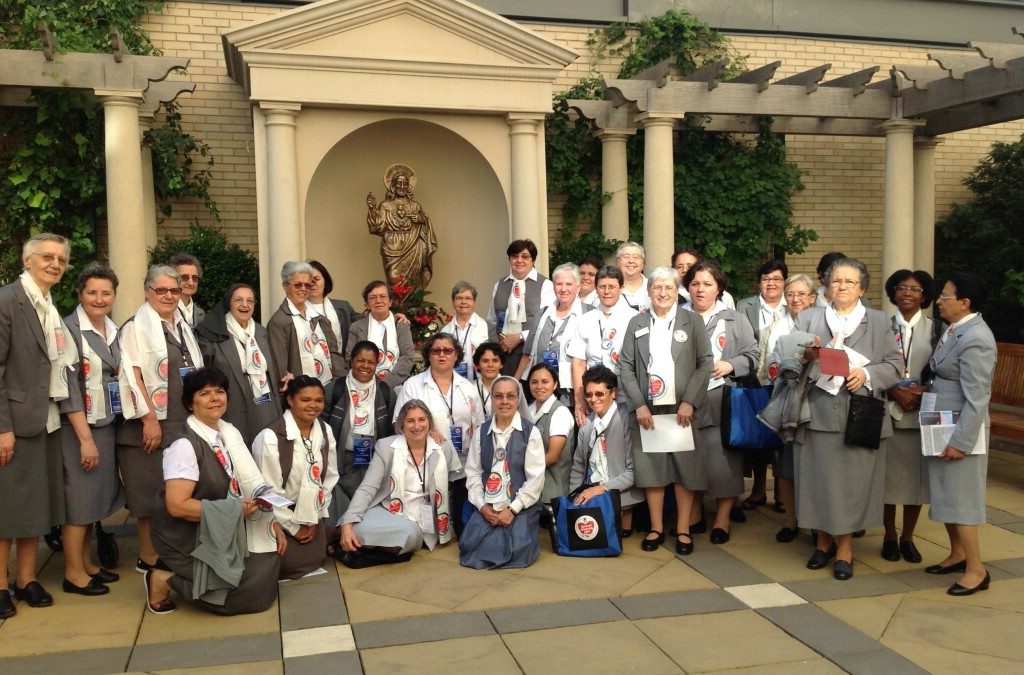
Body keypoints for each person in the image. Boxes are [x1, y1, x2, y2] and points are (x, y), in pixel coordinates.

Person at [145, 368, 286, 615]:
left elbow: (247, 484)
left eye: (219, 392)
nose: (214, 398)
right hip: (188, 536)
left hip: (223, 526)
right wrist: (233, 510)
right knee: (242, 596)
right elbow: (176, 506)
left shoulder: (227, 433)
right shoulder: (184, 445)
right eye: (204, 393)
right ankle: (162, 578)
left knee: (268, 564)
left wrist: (268, 521)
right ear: (190, 403)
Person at [795, 257, 901, 580]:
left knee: (853, 484)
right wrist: (805, 355)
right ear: (826, 285)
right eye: (836, 280)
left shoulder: (879, 321)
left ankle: (845, 547)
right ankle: (822, 542)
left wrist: (867, 374)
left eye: (849, 282)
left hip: (861, 412)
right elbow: (786, 360)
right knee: (819, 480)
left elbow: (896, 366)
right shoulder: (809, 317)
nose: (841, 286)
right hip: (818, 410)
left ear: (862, 289)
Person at [0, 233, 77, 618]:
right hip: (14, 422)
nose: (55, 264)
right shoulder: (7, 300)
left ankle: (27, 579)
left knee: (33, 505)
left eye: (61, 259)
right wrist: (2, 428)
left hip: (45, 420)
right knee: (6, 509)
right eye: (47, 257)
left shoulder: (47, 302)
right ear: (27, 260)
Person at [620, 266, 714, 555]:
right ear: (649, 291)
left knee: (685, 468)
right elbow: (625, 366)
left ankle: (683, 528)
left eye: (669, 287)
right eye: (657, 287)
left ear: (677, 291)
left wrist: (690, 401)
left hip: (682, 408)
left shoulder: (692, 321)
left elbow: (706, 363)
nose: (663, 293)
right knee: (653, 469)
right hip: (648, 409)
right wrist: (638, 404)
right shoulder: (637, 323)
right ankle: (656, 528)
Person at [118, 264, 205, 575]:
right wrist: (149, 420)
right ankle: (148, 557)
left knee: (178, 490)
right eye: (161, 290)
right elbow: (133, 376)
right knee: (149, 494)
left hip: (180, 423)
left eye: (174, 290)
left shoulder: (182, 325)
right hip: (151, 425)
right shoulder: (135, 327)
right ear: (147, 292)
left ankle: (172, 552)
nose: (169, 295)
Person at [925, 272, 997, 596]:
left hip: (961, 429)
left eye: (945, 296)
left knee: (962, 498)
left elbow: (978, 398)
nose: (940, 301)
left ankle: (976, 569)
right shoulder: (955, 328)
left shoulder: (976, 337)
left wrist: (960, 442)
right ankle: (957, 553)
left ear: (965, 302)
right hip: (942, 421)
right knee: (946, 493)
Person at [681, 259, 759, 545]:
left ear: (719, 288)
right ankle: (695, 513)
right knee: (690, 459)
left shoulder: (734, 319)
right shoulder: (677, 317)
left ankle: (723, 518)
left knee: (723, 461)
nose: (700, 289)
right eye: (694, 283)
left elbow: (753, 355)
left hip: (721, 399)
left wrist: (731, 364)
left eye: (707, 284)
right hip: (684, 401)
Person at [60, 264, 126, 597]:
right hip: (79, 429)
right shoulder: (69, 330)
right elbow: (68, 389)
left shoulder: (112, 329)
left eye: (106, 293)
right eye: (92, 292)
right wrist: (85, 440)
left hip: (105, 423)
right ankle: (73, 573)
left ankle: (86, 564)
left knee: (92, 501)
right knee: (79, 502)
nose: (99, 299)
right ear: (80, 294)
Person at [337, 400, 458, 568]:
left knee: (410, 536)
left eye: (422, 420)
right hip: (389, 509)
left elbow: (450, 488)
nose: (417, 426)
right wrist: (348, 522)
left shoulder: (443, 449)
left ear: (430, 422)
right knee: (357, 529)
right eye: (410, 421)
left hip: (422, 518)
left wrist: (450, 525)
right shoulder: (386, 446)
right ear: (402, 425)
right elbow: (368, 487)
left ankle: (361, 548)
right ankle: (356, 542)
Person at [395, 332, 484, 538]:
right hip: (428, 464)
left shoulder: (468, 388)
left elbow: (479, 425)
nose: (442, 355)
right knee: (430, 530)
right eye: (436, 351)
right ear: (429, 355)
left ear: (456, 355)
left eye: (447, 350)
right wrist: (426, 432)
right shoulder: (413, 385)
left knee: (463, 527)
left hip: (464, 462)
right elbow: (397, 423)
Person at [253, 376, 339, 579]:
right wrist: (293, 526)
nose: (313, 405)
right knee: (289, 565)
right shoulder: (270, 437)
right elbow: (268, 491)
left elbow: (330, 477)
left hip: (311, 512)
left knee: (317, 558)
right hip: (279, 514)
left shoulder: (325, 430)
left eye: (318, 400)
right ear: (290, 400)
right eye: (305, 400)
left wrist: (314, 516)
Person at [460, 376, 545, 569]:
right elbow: (473, 473)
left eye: (510, 396)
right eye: (498, 396)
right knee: (471, 547)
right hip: (488, 507)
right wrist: (483, 506)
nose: (504, 401)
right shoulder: (481, 432)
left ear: (518, 399)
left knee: (517, 550)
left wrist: (513, 509)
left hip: (519, 507)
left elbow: (536, 479)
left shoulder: (530, 433)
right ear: (492, 399)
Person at [881, 269, 936, 564]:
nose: (907, 293)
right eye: (901, 288)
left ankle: (908, 537)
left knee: (916, 480)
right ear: (893, 292)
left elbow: (942, 369)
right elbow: (874, 364)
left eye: (915, 289)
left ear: (924, 295)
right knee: (888, 480)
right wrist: (894, 390)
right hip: (889, 409)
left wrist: (920, 392)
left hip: (921, 410)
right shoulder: (881, 326)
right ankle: (890, 535)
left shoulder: (936, 330)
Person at [759, 273, 817, 543]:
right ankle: (790, 521)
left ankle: (816, 522)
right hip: (784, 398)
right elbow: (766, 363)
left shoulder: (823, 324)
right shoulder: (776, 327)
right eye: (791, 294)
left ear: (813, 298)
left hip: (815, 402)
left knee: (814, 466)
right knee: (786, 464)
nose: (795, 299)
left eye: (802, 294)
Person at [196, 283, 282, 446]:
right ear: (228, 303)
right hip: (232, 404)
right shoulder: (213, 333)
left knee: (266, 446)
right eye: (238, 300)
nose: (245, 305)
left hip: (264, 402)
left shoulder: (261, 332)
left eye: (250, 301)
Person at [735, 260, 789, 512]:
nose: (771, 284)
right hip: (754, 380)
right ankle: (758, 490)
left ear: (784, 282)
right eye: (766, 279)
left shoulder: (794, 305)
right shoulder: (743, 306)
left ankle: (781, 493)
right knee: (757, 437)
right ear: (759, 283)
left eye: (777, 279)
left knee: (781, 438)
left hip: (785, 381)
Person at [322, 340, 396, 521]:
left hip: (374, 460)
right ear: (352, 361)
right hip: (342, 460)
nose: (365, 366)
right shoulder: (335, 389)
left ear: (376, 365)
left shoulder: (386, 393)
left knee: (369, 506)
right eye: (361, 360)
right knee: (341, 508)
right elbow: (322, 424)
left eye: (371, 362)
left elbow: (393, 430)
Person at [570, 366, 644, 536]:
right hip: (590, 498)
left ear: (613, 393)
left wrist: (600, 489)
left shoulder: (628, 419)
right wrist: (574, 498)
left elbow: (635, 471)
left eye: (599, 394)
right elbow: (578, 467)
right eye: (588, 394)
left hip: (621, 497)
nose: (593, 399)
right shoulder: (586, 424)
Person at [567, 265, 639, 426]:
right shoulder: (585, 319)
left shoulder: (634, 318)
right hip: (594, 395)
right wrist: (580, 400)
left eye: (611, 287)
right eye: (602, 287)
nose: (606, 291)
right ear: (596, 288)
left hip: (624, 393)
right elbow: (578, 363)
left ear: (621, 288)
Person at [517, 262, 588, 406]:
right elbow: (527, 354)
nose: (563, 289)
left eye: (568, 284)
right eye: (559, 284)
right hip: (540, 390)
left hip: (572, 394)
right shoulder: (543, 313)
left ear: (578, 286)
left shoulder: (588, 313)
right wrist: (515, 384)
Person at [267, 261, 344, 390]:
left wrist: (339, 385)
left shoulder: (320, 319)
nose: (303, 289)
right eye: (298, 285)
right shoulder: (279, 322)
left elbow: (334, 354)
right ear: (285, 286)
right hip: (300, 394)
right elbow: (279, 367)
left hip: (329, 390)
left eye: (307, 285)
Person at [486, 239, 555, 377]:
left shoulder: (546, 285)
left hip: (530, 353)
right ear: (509, 259)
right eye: (515, 256)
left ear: (532, 260)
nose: (519, 260)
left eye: (525, 256)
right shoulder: (499, 285)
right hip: (503, 353)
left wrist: (519, 337)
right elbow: (491, 320)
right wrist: (497, 345)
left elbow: (546, 323)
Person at [366, 164, 438, 290]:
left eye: (405, 184)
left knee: (413, 283)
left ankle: (413, 303)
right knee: (394, 278)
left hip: (414, 246)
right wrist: (372, 209)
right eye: (399, 183)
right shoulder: (385, 205)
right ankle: (396, 303)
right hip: (391, 248)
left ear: (409, 187)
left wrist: (421, 220)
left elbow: (425, 227)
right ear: (393, 185)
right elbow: (377, 227)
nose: (402, 186)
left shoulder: (415, 206)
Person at [348, 280, 415, 388]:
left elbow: (407, 356)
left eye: (383, 296)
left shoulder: (401, 325)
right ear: (367, 304)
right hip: (363, 386)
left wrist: (385, 385)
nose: (378, 301)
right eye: (373, 298)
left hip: (396, 386)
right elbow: (350, 357)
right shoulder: (356, 327)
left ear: (390, 302)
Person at [526, 363, 575, 508]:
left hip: (552, 494)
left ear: (555, 385)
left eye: (545, 382)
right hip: (531, 491)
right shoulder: (528, 410)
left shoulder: (560, 412)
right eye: (534, 382)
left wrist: (522, 468)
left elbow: (553, 456)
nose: (539, 386)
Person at [307, 259, 361, 368]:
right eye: (308, 281)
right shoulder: (297, 311)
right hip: (311, 368)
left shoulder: (343, 307)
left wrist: (392, 317)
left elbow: (365, 322)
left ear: (325, 281)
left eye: (316, 279)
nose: (312, 284)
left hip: (341, 368)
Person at [441, 281, 489, 382]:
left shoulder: (486, 326)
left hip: (480, 381)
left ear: (474, 302)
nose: (463, 302)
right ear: (453, 302)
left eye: (468, 298)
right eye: (459, 298)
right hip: (452, 382)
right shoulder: (445, 331)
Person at [170, 253, 205, 328]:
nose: (190, 283)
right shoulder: (166, 310)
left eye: (195, 278)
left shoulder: (200, 313)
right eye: (184, 277)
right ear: (172, 279)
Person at [473, 341, 506, 418]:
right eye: (485, 361)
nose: (490, 365)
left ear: (501, 364)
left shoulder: (513, 386)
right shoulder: (470, 388)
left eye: (495, 361)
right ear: (478, 365)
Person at [616, 241, 650, 311]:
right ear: (617, 262)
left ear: (643, 263)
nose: (631, 261)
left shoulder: (652, 287)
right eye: (626, 257)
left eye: (635, 257)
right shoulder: (609, 288)